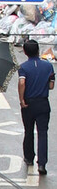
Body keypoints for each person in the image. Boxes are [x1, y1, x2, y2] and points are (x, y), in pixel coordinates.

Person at [18, 38, 55, 175]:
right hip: (43, 103)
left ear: (26, 52)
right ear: (38, 50)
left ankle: (29, 157)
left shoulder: (23, 67)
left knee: (28, 130)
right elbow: (51, 85)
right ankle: (42, 164)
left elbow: (22, 84)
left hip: (28, 103)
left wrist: (22, 100)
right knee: (43, 133)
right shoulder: (48, 66)